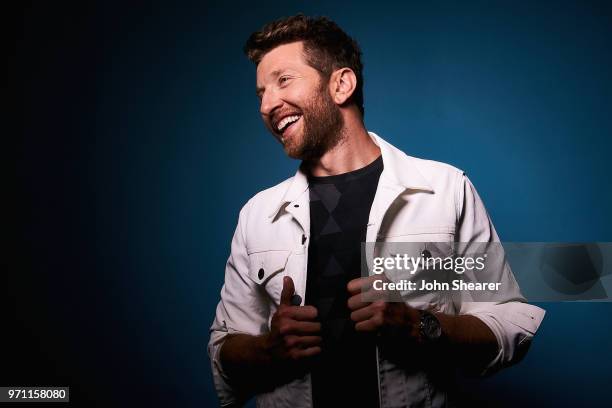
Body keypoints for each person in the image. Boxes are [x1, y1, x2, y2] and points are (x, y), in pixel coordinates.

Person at [208, 14, 545, 408]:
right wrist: (268, 349)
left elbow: (509, 321)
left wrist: (421, 326)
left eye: (283, 80)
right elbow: (223, 347)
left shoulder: (445, 190)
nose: (267, 104)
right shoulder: (257, 215)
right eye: (260, 93)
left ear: (341, 85)